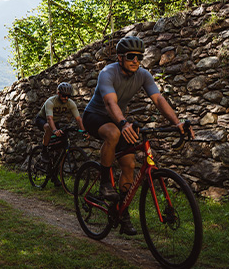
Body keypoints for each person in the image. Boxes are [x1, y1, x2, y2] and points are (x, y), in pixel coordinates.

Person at [82, 35, 195, 235]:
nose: (136, 60)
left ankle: (121, 212)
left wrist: (176, 122)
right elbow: (110, 103)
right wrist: (124, 123)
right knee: (114, 132)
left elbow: (158, 99)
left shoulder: (143, 75)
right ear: (120, 58)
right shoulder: (107, 73)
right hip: (95, 116)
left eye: (139, 57)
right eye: (131, 56)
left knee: (129, 165)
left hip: (118, 120)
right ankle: (105, 183)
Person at [34, 82, 89, 186]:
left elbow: (78, 119)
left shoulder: (70, 103)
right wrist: (55, 130)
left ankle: (54, 175)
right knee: (48, 128)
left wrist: (84, 131)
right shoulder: (51, 102)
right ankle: (44, 150)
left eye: (68, 96)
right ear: (58, 93)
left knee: (59, 149)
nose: (66, 98)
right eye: (64, 95)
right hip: (42, 119)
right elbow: (49, 118)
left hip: (55, 122)